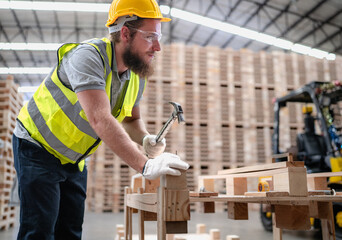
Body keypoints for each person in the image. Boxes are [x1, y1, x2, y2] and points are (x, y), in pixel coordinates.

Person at [12, 0, 189, 239]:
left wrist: (145, 139)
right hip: (37, 147)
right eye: (149, 37)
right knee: (40, 231)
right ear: (125, 33)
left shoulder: (136, 75)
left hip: (74, 158)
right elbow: (100, 119)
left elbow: (131, 120)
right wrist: (144, 165)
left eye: (158, 37)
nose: (157, 47)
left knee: (70, 231)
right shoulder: (88, 57)